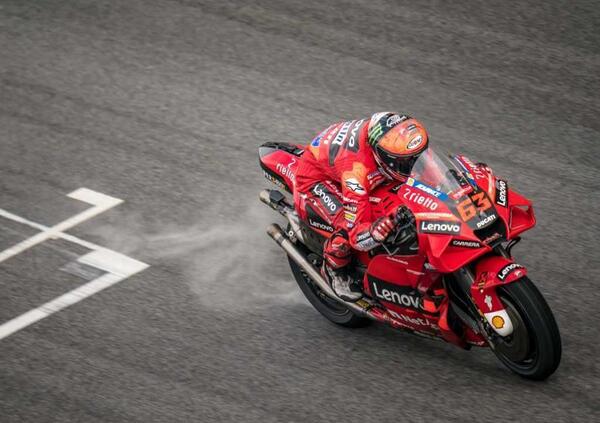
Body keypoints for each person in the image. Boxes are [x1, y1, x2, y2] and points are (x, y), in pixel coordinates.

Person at [294, 112, 429, 301]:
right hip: (316, 178)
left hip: (340, 158)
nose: (414, 165)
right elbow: (358, 235)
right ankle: (334, 269)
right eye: (406, 162)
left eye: (416, 157)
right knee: (346, 226)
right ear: (385, 158)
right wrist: (376, 231)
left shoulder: (390, 132)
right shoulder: (356, 174)